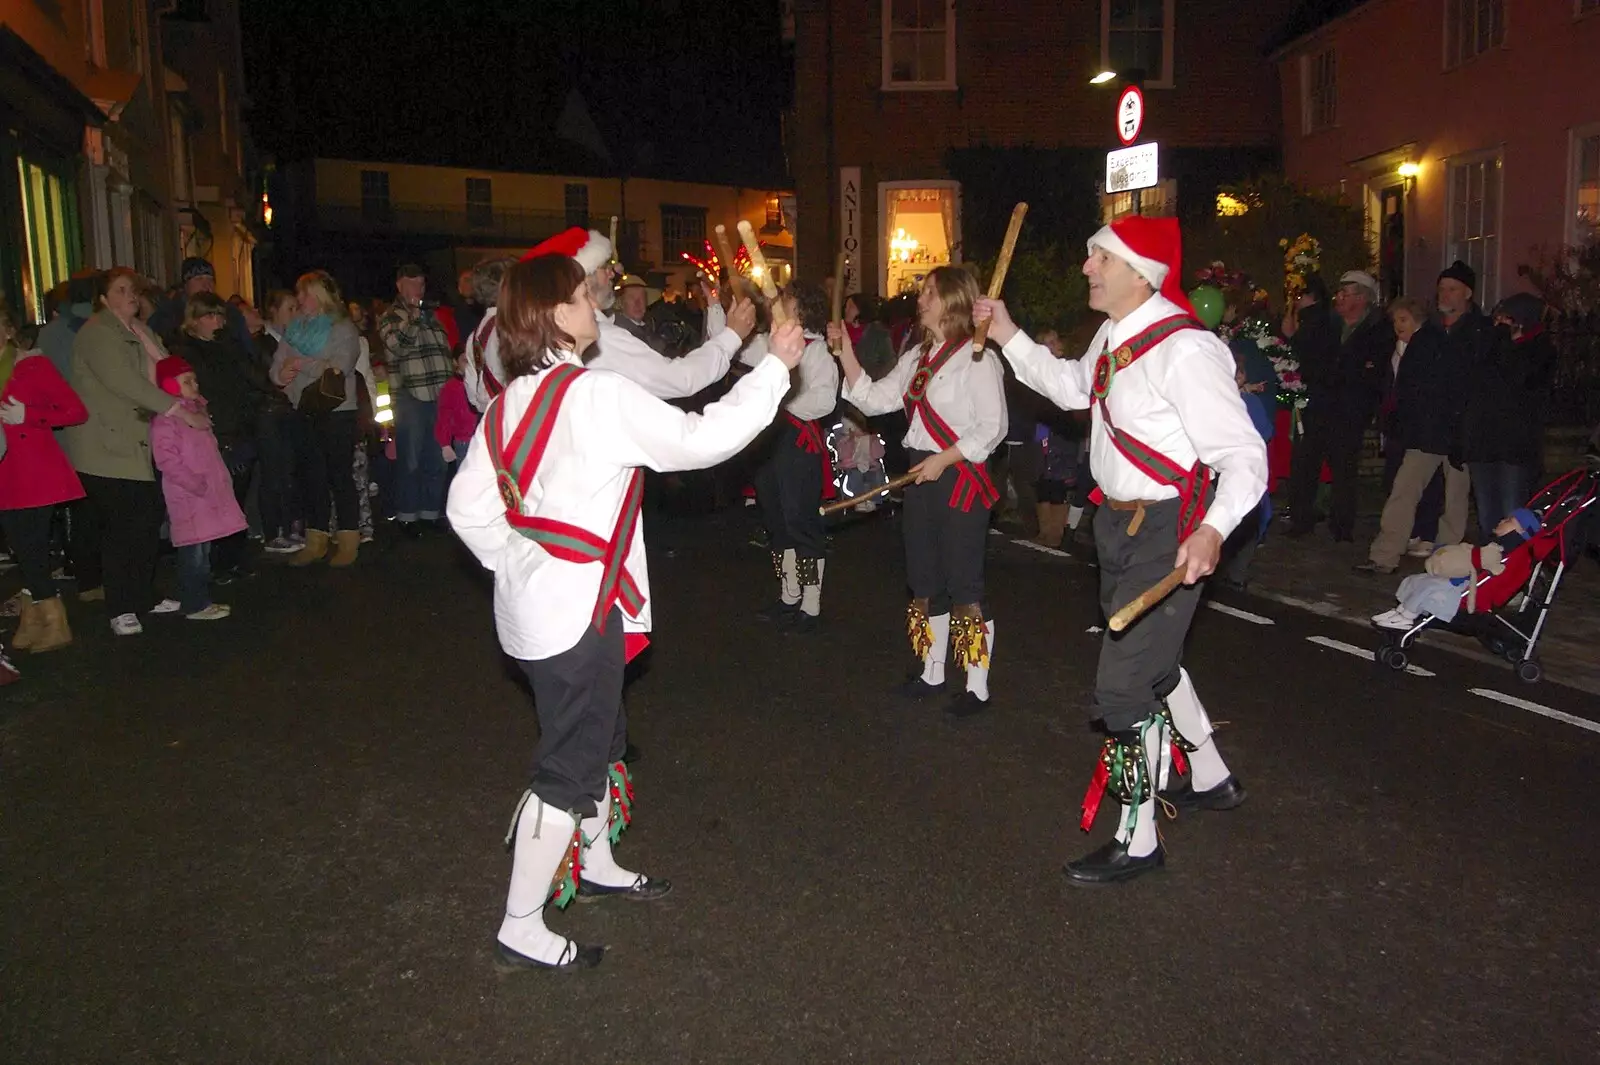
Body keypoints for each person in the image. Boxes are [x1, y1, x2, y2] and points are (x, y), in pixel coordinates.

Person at [446, 253, 807, 972]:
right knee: (568, 765)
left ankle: (599, 857)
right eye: (583, 297)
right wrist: (775, 368)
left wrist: (521, 562)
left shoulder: (507, 404)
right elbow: (699, 439)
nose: (594, 307)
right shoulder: (594, 395)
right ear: (555, 315)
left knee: (604, 734)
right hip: (576, 614)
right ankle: (521, 921)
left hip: (552, 609)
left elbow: (465, 509)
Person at [977, 215, 1268, 885]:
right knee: (1153, 666)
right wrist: (1008, 335)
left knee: (1122, 684)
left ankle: (1138, 838)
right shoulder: (1114, 333)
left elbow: (1244, 456)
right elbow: (1077, 390)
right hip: (1119, 526)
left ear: (1141, 273)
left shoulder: (1185, 350)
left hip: (1172, 529)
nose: (1087, 267)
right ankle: (1213, 775)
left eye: (1099, 256)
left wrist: (1215, 527)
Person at [828, 266, 1006, 717]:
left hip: (959, 477)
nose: (920, 298)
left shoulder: (979, 357)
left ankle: (977, 685)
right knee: (924, 579)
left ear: (951, 301)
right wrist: (845, 351)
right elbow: (873, 398)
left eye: (928, 292)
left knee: (964, 584)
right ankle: (932, 670)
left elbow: (993, 428)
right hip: (920, 474)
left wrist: (944, 459)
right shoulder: (916, 358)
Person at [63, 267, 203, 634]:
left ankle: (143, 595)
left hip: (138, 443)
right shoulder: (98, 333)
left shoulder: (142, 331)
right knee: (122, 528)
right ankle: (121, 606)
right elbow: (123, 381)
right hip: (108, 444)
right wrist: (175, 410)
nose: (131, 296)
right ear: (104, 299)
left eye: (134, 290)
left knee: (144, 523)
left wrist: (189, 395)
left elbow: (164, 372)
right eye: (121, 290)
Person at [743, 281, 839, 630]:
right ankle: (789, 595)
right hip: (772, 443)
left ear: (801, 307)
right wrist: (717, 310)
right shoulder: (774, 345)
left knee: (801, 523)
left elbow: (825, 399)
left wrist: (778, 401)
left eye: (786, 299)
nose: (779, 303)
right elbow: (739, 351)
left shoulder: (816, 351)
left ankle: (810, 604)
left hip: (798, 445)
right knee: (777, 522)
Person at [1356, 290, 1470, 574]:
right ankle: (1417, 555)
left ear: (1417, 319)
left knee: (1428, 495)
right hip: (1433, 434)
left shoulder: (1427, 345)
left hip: (1440, 433)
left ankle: (1396, 556)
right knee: (1420, 494)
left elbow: (1435, 393)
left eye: (1403, 319)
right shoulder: (1418, 346)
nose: (1398, 326)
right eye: (1396, 320)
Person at [168, 291, 275, 581]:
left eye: (220, 315)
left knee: (238, 496)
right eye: (209, 315)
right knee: (215, 496)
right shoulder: (185, 350)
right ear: (195, 320)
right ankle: (215, 563)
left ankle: (234, 557)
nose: (216, 321)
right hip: (212, 429)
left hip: (239, 426)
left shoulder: (229, 346)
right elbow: (198, 388)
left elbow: (251, 376)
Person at [0, 306, 88, 653]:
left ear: (8, 331)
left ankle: (55, 619)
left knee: (32, 549)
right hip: (5, 473)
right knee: (23, 552)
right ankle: (33, 617)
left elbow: (75, 411)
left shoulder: (32, 365)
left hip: (36, 473)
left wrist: (29, 416)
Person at [1286, 270, 1388, 542]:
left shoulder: (1376, 328)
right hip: (1320, 404)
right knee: (1306, 463)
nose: (1339, 298)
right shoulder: (1326, 324)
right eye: (1339, 293)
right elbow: (1305, 355)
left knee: (1344, 470)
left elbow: (1371, 371)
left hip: (1349, 410)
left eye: (1346, 293)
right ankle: (1301, 519)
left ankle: (1342, 526)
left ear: (1362, 298)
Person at [273, 270, 363, 567]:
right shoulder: (294, 329)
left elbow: (340, 367)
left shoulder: (342, 328)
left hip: (337, 411)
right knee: (312, 477)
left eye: (305, 293)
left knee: (339, 475)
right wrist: (280, 374)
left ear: (320, 296)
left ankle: (349, 539)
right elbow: (277, 365)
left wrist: (300, 364)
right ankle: (316, 540)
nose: (300, 300)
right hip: (304, 409)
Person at [150, 357, 243, 621]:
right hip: (189, 496)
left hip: (204, 493)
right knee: (193, 553)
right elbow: (167, 459)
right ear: (169, 386)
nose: (194, 384)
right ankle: (194, 603)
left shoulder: (197, 413)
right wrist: (194, 483)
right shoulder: (166, 421)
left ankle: (201, 599)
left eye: (194, 379)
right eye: (186, 381)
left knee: (202, 551)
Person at [1463, 292, 1557, 540]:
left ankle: (1515, 570)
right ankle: (1490, 569)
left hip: (1515, 448)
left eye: (1505, 318)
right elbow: (1475, 384)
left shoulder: (1540, 349)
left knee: (1512, 515)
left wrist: (1503, 341)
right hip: (1484, 444)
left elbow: (1518, 380)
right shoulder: (1490, 344)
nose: (1498, 323)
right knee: (1487, 517)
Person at [377, 264, 454, 536]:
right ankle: (407, 516)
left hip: (439, 396)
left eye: (421, 284)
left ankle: (431, 513)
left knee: (437, 459)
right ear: (399, 285)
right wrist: (414, 316)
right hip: (410, 396)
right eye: (412, 284)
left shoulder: (432, 316)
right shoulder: (390, 317)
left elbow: (444, 350)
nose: (417, 290)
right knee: (410, 459)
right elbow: (399, 344)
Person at [1372, 508, 1541, 630]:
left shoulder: (1510, 550)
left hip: (1465, 588)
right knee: (1419, 580)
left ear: (1521, 531)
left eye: (1509, 521)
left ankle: (1407, 617)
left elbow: (1487, 566)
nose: (1502, 521)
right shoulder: (1499, 545)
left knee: (1430, 587)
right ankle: (1401, 610)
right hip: (1463, 578)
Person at [256, 290, 304, 553]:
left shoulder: (293, 341)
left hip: (288, 412)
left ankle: (290, 526)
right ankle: (272, 531)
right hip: (270, 413)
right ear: (273, 312)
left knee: (290, 470)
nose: (295, 315)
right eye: (289, 309)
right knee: (274, 472)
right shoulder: (263, 343)